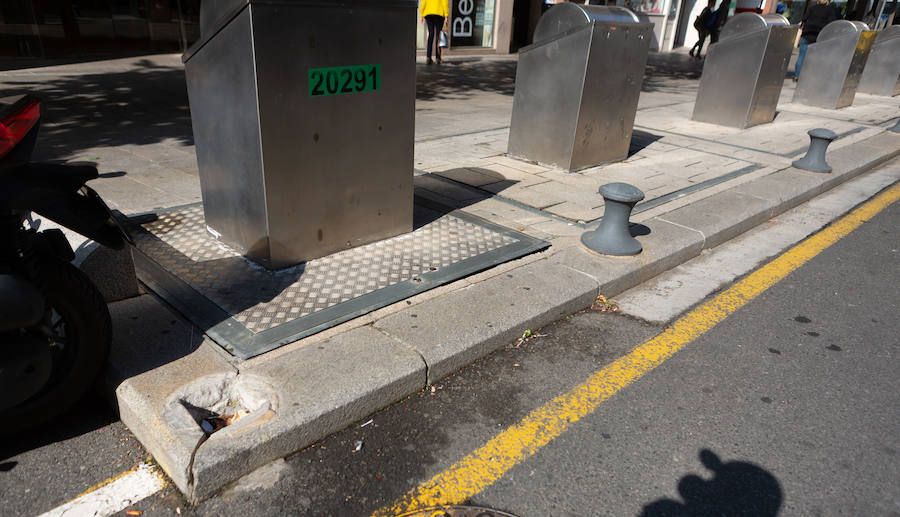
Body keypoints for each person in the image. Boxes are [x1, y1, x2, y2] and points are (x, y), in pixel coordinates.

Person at [794, 0, 837, 81]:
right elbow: (831, 24)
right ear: (828, 1)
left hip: (806, 35)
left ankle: (797, 76)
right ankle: (810, 77)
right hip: (818, 37)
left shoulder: (812, 8)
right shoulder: (830, 10)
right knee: (815, 58)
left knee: (801, 57)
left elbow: (804, 19)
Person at [420, 0, 448, 65]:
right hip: (439, 14)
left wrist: (422, 14)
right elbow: (445, 3)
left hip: (428, 14)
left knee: (431, 35)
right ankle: (438, 58)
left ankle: (428, 58)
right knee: (438, 36)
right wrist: (446, 15)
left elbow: (423, 2)